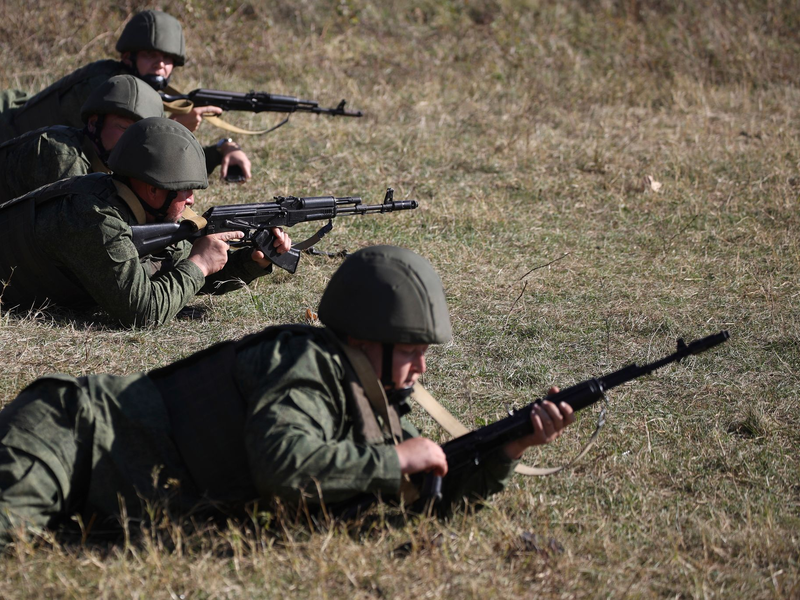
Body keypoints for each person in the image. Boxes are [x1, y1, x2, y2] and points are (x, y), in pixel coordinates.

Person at [0, 245, 575, 548]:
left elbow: (423, 502)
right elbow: (286, 468)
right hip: (70, 435)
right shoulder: (302, 365)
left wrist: (508, 451)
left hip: (113, 502)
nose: (422, 367)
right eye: (410, 349)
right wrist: (395, 458)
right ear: (362, 341)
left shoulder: (366, 401)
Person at [0, 117, 289, 326]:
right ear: (153, 189)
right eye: (185, 190)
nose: (191, 200)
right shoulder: (95, 218)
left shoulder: (146, 212)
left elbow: (176, 280)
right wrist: (199, 263)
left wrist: (254, 261)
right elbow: (143, 312)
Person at [0, 10, 249, 179]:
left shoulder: (126, 85)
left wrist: (222, 148)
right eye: (150, 56)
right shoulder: (108, 90)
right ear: (128, 57)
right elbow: (147, 168)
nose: (160, 65)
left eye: (167, 59)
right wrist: (175, 128)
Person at [0, 75, 249, 203]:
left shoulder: (108, 155)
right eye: (122, 127)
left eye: (139, 131)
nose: (130, 139)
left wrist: (221, 149)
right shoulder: (62, 156)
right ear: (93, 123)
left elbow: (163, 169)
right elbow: (89, 228)